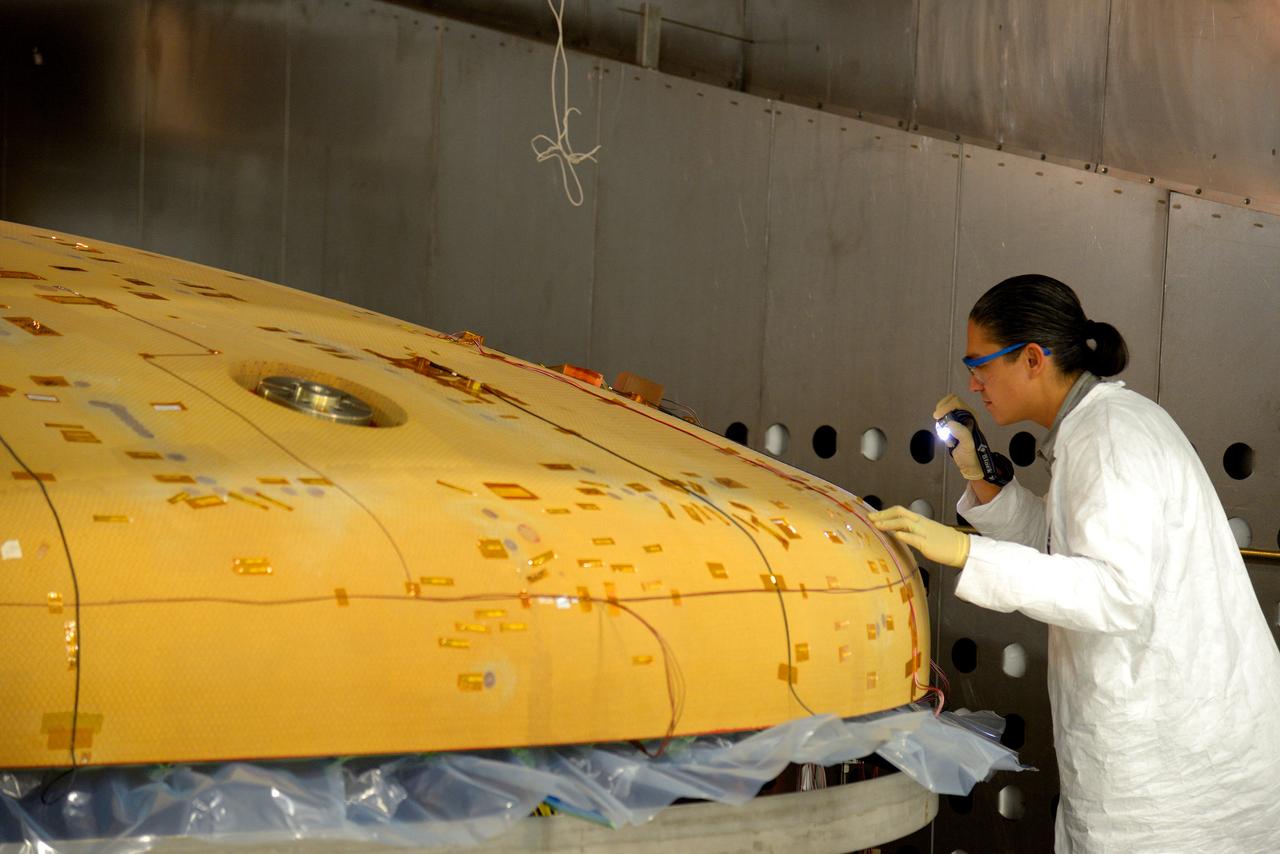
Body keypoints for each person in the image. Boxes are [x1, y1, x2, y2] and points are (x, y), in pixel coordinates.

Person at [870, 274, 1280, 853]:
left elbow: (1114, 589)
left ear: (1032, 358)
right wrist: (982, 478)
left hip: (1178, 773)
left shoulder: (1110, 434)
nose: (973, 382)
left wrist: (966, 551)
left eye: (979, 363)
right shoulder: (1095, 425)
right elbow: (1067, 548)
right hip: (1161, 754)